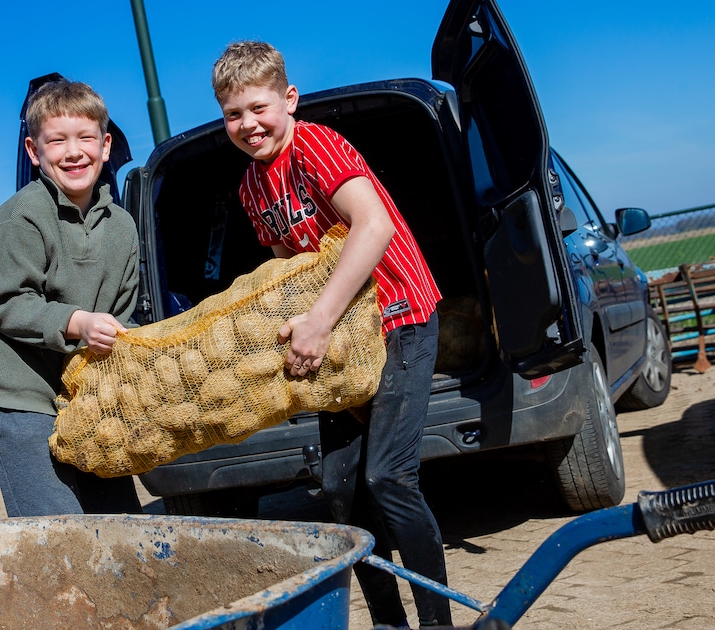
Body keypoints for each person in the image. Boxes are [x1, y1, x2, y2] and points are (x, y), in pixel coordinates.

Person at [212, 41, 452, 628]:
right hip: (344, 344)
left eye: (259, 107)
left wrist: (318, 321)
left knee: (388, 476)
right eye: (234, 114)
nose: (248, 124)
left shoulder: (316, 145)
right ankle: (389, 621)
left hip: (398, 317)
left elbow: (373, 226)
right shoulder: (251, 188)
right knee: (342, 492)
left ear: (289, 99)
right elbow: (288, 272)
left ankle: (437, 622)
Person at [0, 78, 142, 517]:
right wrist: (80, 323)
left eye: (85, 138)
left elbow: (123, 316)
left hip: (87, 397)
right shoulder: (20, 218)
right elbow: (8, 304)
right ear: (34, 151)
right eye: (57, 140)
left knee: (119, 524)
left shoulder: (122, 227)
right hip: (21, 399)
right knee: (56, 531)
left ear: (105, 145)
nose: (73, 152)